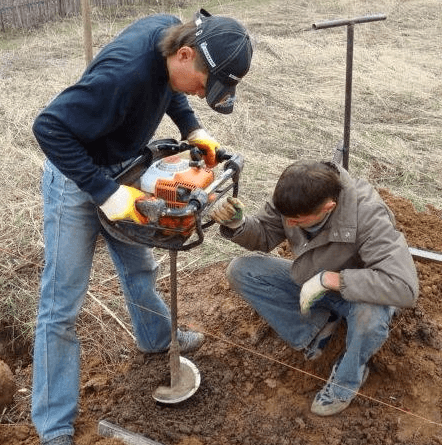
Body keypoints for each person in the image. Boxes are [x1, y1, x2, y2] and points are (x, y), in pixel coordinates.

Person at [32, 8, 253, 445]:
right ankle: (53, 424)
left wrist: (193, 127)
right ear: (185, 54)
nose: (199, 92)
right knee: (62, 303)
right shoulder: (123, 73)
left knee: (138, 267)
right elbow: (49, 127)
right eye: (203, 84)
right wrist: (104, 191)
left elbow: (170, 88)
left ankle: (156, 338)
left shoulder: (169, 35)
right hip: (77, 180)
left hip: (125, 167)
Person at [210, 160, 419, 416]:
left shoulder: (368, 216)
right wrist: (238, 225)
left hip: (361, 294)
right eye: (287, 218)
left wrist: (331, 280)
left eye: (298, 221)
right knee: (242, 270)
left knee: (370, 317)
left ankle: (347, 378)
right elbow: (264, 234)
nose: (290, 224)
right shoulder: (294, 196)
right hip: (311, 279)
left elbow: (404, 287)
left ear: (328, 207)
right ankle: (316, 330)